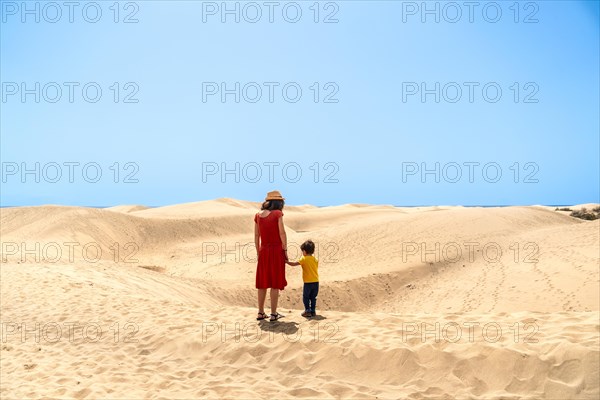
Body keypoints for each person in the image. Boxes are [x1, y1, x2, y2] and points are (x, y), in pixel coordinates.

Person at [254, 190, 288, 322]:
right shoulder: (278, 214)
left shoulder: (257, 215)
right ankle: (273, 314)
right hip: (276, 249)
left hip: (264, 251)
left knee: (262, 282)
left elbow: (257, 236)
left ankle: (261, 312)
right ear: (278, 202)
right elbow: (282, 233)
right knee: (274, 282)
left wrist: (258, 251)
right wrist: (285, 250)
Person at [286, 240, 319, 318]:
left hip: (308, 282)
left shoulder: (303, 259)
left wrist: (286, 262)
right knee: (313, 297)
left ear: (304, 251)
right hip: (316, 282)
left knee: (306, 297)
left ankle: (307, 311)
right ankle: (313, 311)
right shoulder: (315, 259)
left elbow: (294, 264)